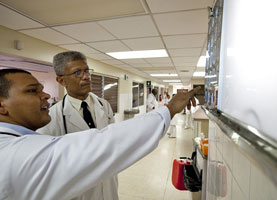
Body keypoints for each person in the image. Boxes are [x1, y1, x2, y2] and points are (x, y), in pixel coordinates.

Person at [0, 68, 199, 200]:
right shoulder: (12, 154)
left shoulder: (102, 104)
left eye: (87, 71)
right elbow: (103, 144)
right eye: (32, 91)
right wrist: (169, 109)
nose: (45, 95)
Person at [36, 51, 116, 200]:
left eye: (86, 71)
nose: (86, 77)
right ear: (61, 81)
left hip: (108, 183)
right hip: (79, 191)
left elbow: (112, 141)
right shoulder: (52, 117)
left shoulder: (103, 105)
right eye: (77, 73)